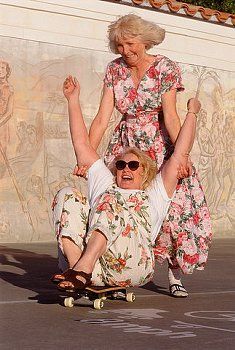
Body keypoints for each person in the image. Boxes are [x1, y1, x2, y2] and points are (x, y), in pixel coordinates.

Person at [74, 14, 213, 297]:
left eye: (130, 43)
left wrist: (182, 156)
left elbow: (171, 117)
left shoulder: (165, 68)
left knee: (172, 209)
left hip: (159, 145)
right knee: (119, 206)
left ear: (145, 40)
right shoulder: (114, 70)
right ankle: (115, 270)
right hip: (125, 147)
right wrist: (85, 158)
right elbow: (102, 118)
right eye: (120, 45)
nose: (125, 50)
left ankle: (173, 273)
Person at [51, 75, 201, 293]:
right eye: (120, 165)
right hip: (96, 267)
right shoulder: (106, 183)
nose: (125, 169)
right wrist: (72, 100)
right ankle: (78, 268)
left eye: (132, 165)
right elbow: (81, 143)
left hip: (132, 266)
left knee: (113, 202)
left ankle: (82, 269)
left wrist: (192, 113)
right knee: (68, 194)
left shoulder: (155, 193)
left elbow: (180, 154)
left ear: (145, 172)